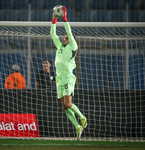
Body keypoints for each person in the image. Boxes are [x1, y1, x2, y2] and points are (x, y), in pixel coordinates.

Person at [50, 6, 87, 140]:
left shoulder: (73, 47)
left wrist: (64, 18)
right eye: (64, 38)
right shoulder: (60, 46)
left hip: (68, 78)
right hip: (59, 78)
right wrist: (54, 19)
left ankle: (82, 117)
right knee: (64, 107)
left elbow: (70, 33)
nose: (64, 39)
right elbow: (53, 35)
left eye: (66, 38)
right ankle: (77, 126)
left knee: (69, 104)